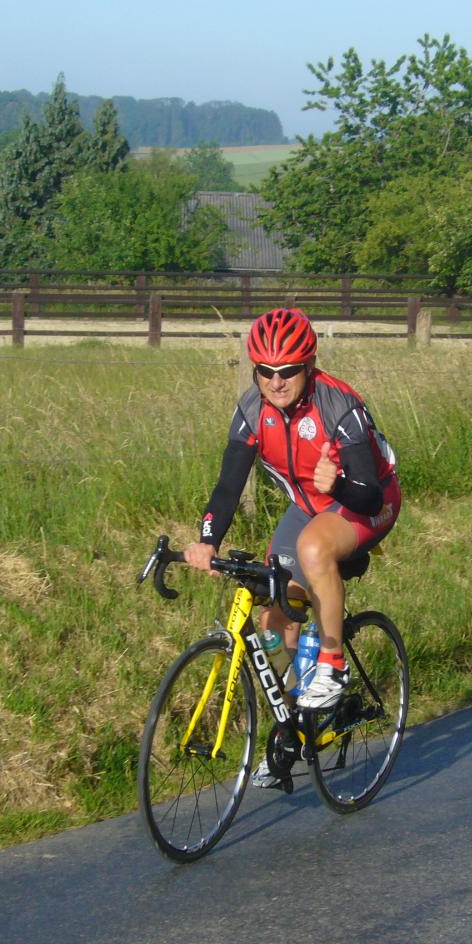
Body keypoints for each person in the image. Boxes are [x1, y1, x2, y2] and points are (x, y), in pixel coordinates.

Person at [183, 307, 400, 726]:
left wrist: (336, 486)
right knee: (274, 613)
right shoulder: (252, 410)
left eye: (287, 371)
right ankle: (292, 733)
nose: (275, 382)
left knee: (313, 547)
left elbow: (370, 495)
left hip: (365, 501)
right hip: (308, 507)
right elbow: (228, 486)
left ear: (310, 365)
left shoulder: (339, 405)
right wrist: (208, 540)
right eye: (265, 371)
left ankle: (332, 666)